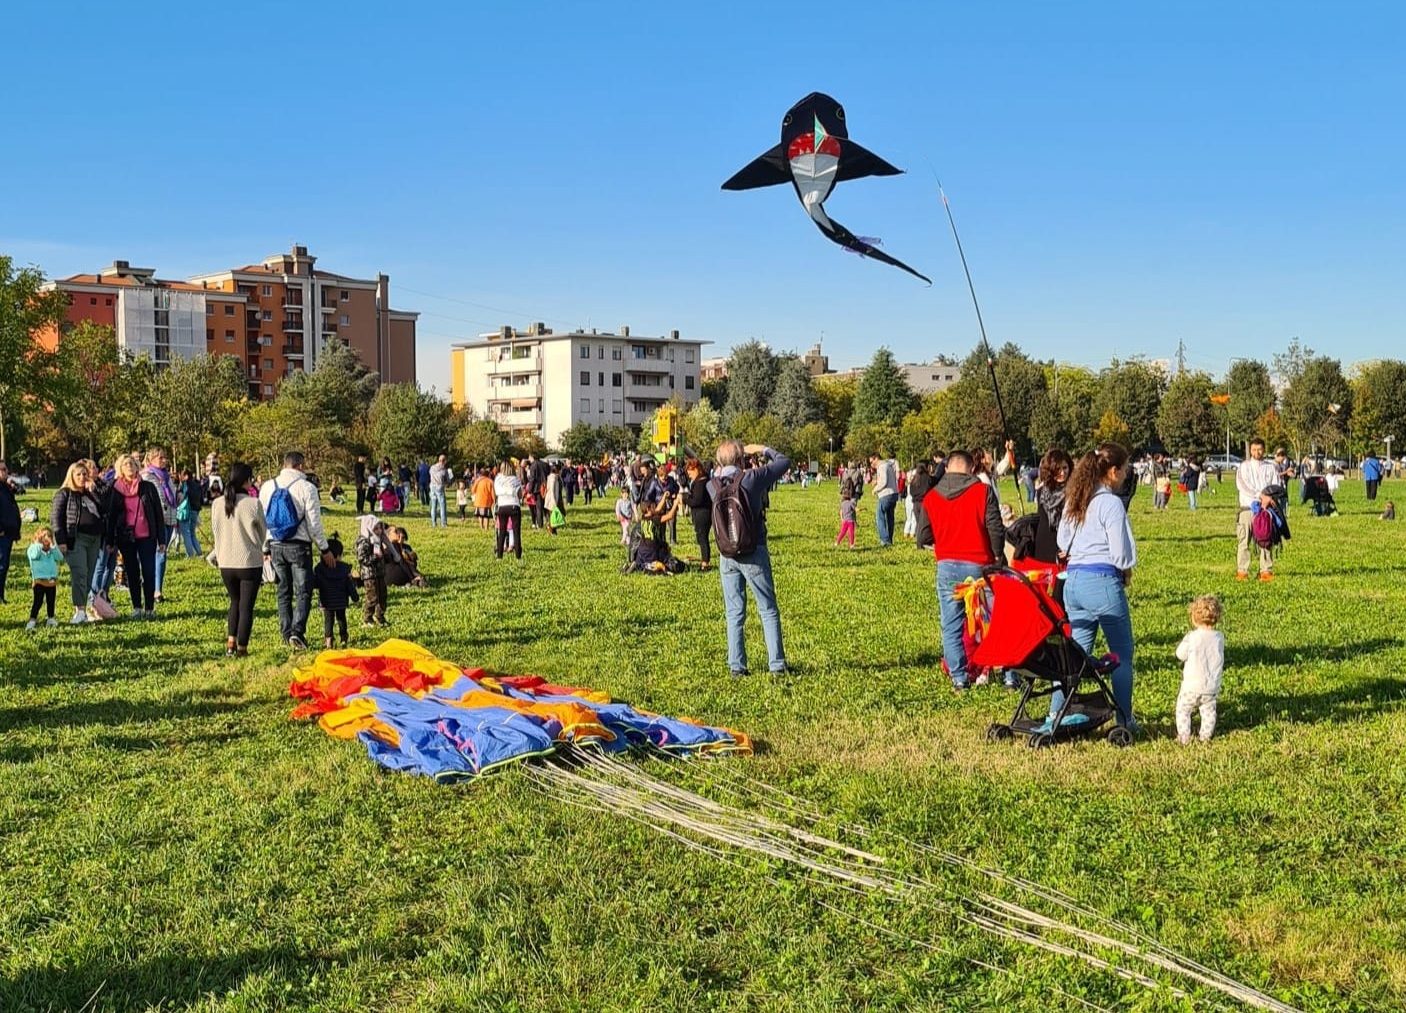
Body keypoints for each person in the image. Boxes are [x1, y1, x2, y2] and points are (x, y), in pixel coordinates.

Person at [1056, 442, 1138, 731]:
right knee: (1122, 654)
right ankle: (1124, 719)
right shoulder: (1111, 503)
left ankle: (1056, 714)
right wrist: (1126, 569)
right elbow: (1121, 552)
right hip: (1102, 581)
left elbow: (1062, 542)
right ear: (1113, 471)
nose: (1127, 474)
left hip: (1073, 583)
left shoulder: (1077, 498)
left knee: (1074, 656)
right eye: (1125, 469)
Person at [923, 450, 1006, 691]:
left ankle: (959, 677)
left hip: (947, 565)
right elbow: (995, 528)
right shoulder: (982, 491)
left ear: (947, 468)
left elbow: (924, 535)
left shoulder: (931, 496)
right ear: (971, 469)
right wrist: (998, 556)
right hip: (980, 565)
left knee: (951, 623)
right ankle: (1004, 669)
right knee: (993, 619)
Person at [709, 440, 790, 676]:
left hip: (727, 554)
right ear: (741, 459)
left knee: (734, 612)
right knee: (767, 609)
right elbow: (784, 462)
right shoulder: (751, 479)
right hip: (753, 550)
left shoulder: (712, 486)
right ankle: (776, 664)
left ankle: (737, 666)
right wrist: (764, 449)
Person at [259, 451, 333, 650]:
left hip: (275, 544)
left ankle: (285, 632)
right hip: (299, 546)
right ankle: (297, 631)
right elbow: (314, 524)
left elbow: (264, 519)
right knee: (303, 591)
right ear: (300, 466)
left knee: (283, 590)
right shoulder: (307, 488)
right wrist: (324, 549)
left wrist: (265, 545)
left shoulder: (267, 486)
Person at [210, 462, 267, 657]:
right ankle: (242, 647)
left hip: (226, 562)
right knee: (246, 606)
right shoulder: (253, 503)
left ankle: (230, 643)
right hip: (249, 561)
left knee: (234, 602)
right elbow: (262, 533)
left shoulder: (217, 504)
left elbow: (216, 532)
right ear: (247, 480)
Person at [104, 454, 163, 619]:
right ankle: (137, 607)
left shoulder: (148, 487)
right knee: (132, 573)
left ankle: (149, 608)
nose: (129, 466)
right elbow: (112, 516)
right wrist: (110, 540)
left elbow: (158, 513)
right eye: (125, 464)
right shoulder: (116, 489)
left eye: (132, 463)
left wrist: (161, 539)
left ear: (137, 467)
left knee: (149, 572)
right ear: (120, 469)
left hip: (147, 537)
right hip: (126, 537)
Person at [50, 461, 104, 624]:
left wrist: (92, 491)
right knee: (79, 573)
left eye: (84, 474)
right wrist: (61, 541)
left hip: (94, 539)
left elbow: (102, 509)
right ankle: (79, 610)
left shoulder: (89, 494)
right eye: (78, 474)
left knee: (88, 575)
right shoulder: (64, 493)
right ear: (71, 476)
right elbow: (56, 518)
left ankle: (84, 609)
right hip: (76, 538)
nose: (82, 477)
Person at [1175, 595, 1225, 745]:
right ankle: (1205, 736)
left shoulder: (1192, 637)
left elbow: (1180, 654)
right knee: (1208, 711)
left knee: (1183, 709)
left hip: (1191, 686)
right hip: (1211, 686)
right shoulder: (1219, 638)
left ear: (1194, 618)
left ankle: (1184, 736)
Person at [1235, 439, 1279, 582]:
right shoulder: (1244, 467)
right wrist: (1260, 496)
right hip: (1247, 508)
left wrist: (1269, 499)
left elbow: (1276, 485)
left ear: (1264, 450)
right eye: (1253, 449)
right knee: (1244, 540)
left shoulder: (1271, 467)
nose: (1256, 452)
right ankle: (1242, 571)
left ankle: (1266, 570)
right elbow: (1243, 486)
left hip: (1265, 510)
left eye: (1259, 449)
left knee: (1266, 540)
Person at [140, 448, 177, 603]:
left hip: (169, 519)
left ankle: (158, 587)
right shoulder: (147, 476)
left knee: (162, 554)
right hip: (154, 521)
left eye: (165, 458)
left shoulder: (167, 477)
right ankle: (154, 590)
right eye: (160, 458)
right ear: (151, 459)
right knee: (158, 554)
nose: (163, 460)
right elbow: (150, 499)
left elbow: (173, 496)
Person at [313, 533, 358, 649]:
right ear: (338, 555)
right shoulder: (344, 569)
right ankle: (343, 637)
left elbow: (316, 584)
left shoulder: (319, 569)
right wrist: (355, 597)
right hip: (341, 601)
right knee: (341, 619)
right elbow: (349, 585)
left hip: (326, 601)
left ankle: (328, 641)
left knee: (328, 621)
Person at [355, 515, 391, 625]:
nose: (379, 531)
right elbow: (362, 559)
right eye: (376, 528)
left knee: (382, 596)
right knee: (372, 597)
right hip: (369, 575)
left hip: (380, 573)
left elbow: (384, 557)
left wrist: (385, 554)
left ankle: (379, 616)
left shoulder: (379, 540)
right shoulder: (364, 541)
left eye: (380, 528)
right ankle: (367, 618)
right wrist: (376, 557)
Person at [24, 527, 62, 630]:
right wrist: (38, 545)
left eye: (49, 537)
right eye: (45, 537)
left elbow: (60, 557)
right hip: (39, 580)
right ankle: (32, 620)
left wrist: (54, 546)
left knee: (51, 600)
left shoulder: (51, 551)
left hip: (51, 580)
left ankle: (51, 617)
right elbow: (34, 556)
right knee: (38, 600)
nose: (47, 540)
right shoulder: (33, 548)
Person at [684, 458, 713, 568]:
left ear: (696, 469)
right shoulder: (703, 479)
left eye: (690, 471)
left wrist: (685, 499)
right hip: (703, 513)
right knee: (702, 538)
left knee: (702, 538)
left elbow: (697, 500)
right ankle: (705, 560)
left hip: (702, 514)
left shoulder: (701, 482)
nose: (689, 474)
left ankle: (705, 562)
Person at [493, 461, 524, 560]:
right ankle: (518, 555)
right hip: (514, 505)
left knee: (502, 531)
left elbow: (496, 492)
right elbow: (520, 495)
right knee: (516, 532)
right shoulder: (515, 479)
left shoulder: (498, 479)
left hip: (502, 506)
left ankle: (499, 555)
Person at [0, 459, 20, 605]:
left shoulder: (6, 488)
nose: (4, 472)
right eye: (1, 469)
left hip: (9, 533)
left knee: (4, 566)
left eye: (5, 469)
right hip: (2, 533)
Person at [870, 453, 899, 547]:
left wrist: (875, 489)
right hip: (894, 493)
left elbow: (884, 482)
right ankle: (889, 539)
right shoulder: (888, 465)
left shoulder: (882, 466)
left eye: (872, 461)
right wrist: (877, 481)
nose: (871, 464)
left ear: (876, 458)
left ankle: (884, 540)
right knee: (890, 518)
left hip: (885, 495)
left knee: (880, 517)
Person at [176, 466, 204, 558]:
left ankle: (190, 554)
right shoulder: (197, 484)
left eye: (181, 475)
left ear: (186, 476)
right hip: (195, 511)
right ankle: (199, 552)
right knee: (192, 532)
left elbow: (180, 498)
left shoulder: (185, 485)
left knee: (186, 533)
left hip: (185, 511)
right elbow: (201, 499)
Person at [908, 462, 934, 551]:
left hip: (915, 503)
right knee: (925, 524)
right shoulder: (928, 478)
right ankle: (924, 542)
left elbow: (911, 491)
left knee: (918, 523)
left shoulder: (914, 479)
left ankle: (919, 542)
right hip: (924, 502)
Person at [428, 454, 451, 528]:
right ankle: (443, 523)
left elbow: (430, 474)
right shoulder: (444, 469)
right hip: (439, 487)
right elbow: (447, 480)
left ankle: (434, 523)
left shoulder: (432, 467)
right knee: (442, 506)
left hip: (432, 487)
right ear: (444, 461)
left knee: (433, 506)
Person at [472, 467, 495, 531]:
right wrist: (494, 500)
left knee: (480, 515)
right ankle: (486, 528)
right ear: (488, 474)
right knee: (486, 516)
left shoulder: (478, 480)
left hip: (478, 501)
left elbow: (473, 490)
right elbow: (492, 492)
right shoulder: (490, 481)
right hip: (487, 501)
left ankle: (481, 527)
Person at [544, 463, 563, 535]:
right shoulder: (553, 478)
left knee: (553, 516)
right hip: (552, 500)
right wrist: (554, 502)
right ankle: (551, 530)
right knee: (553, 516)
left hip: (554, 499)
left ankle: (552, 530)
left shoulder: (555, 477)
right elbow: (551, 490)